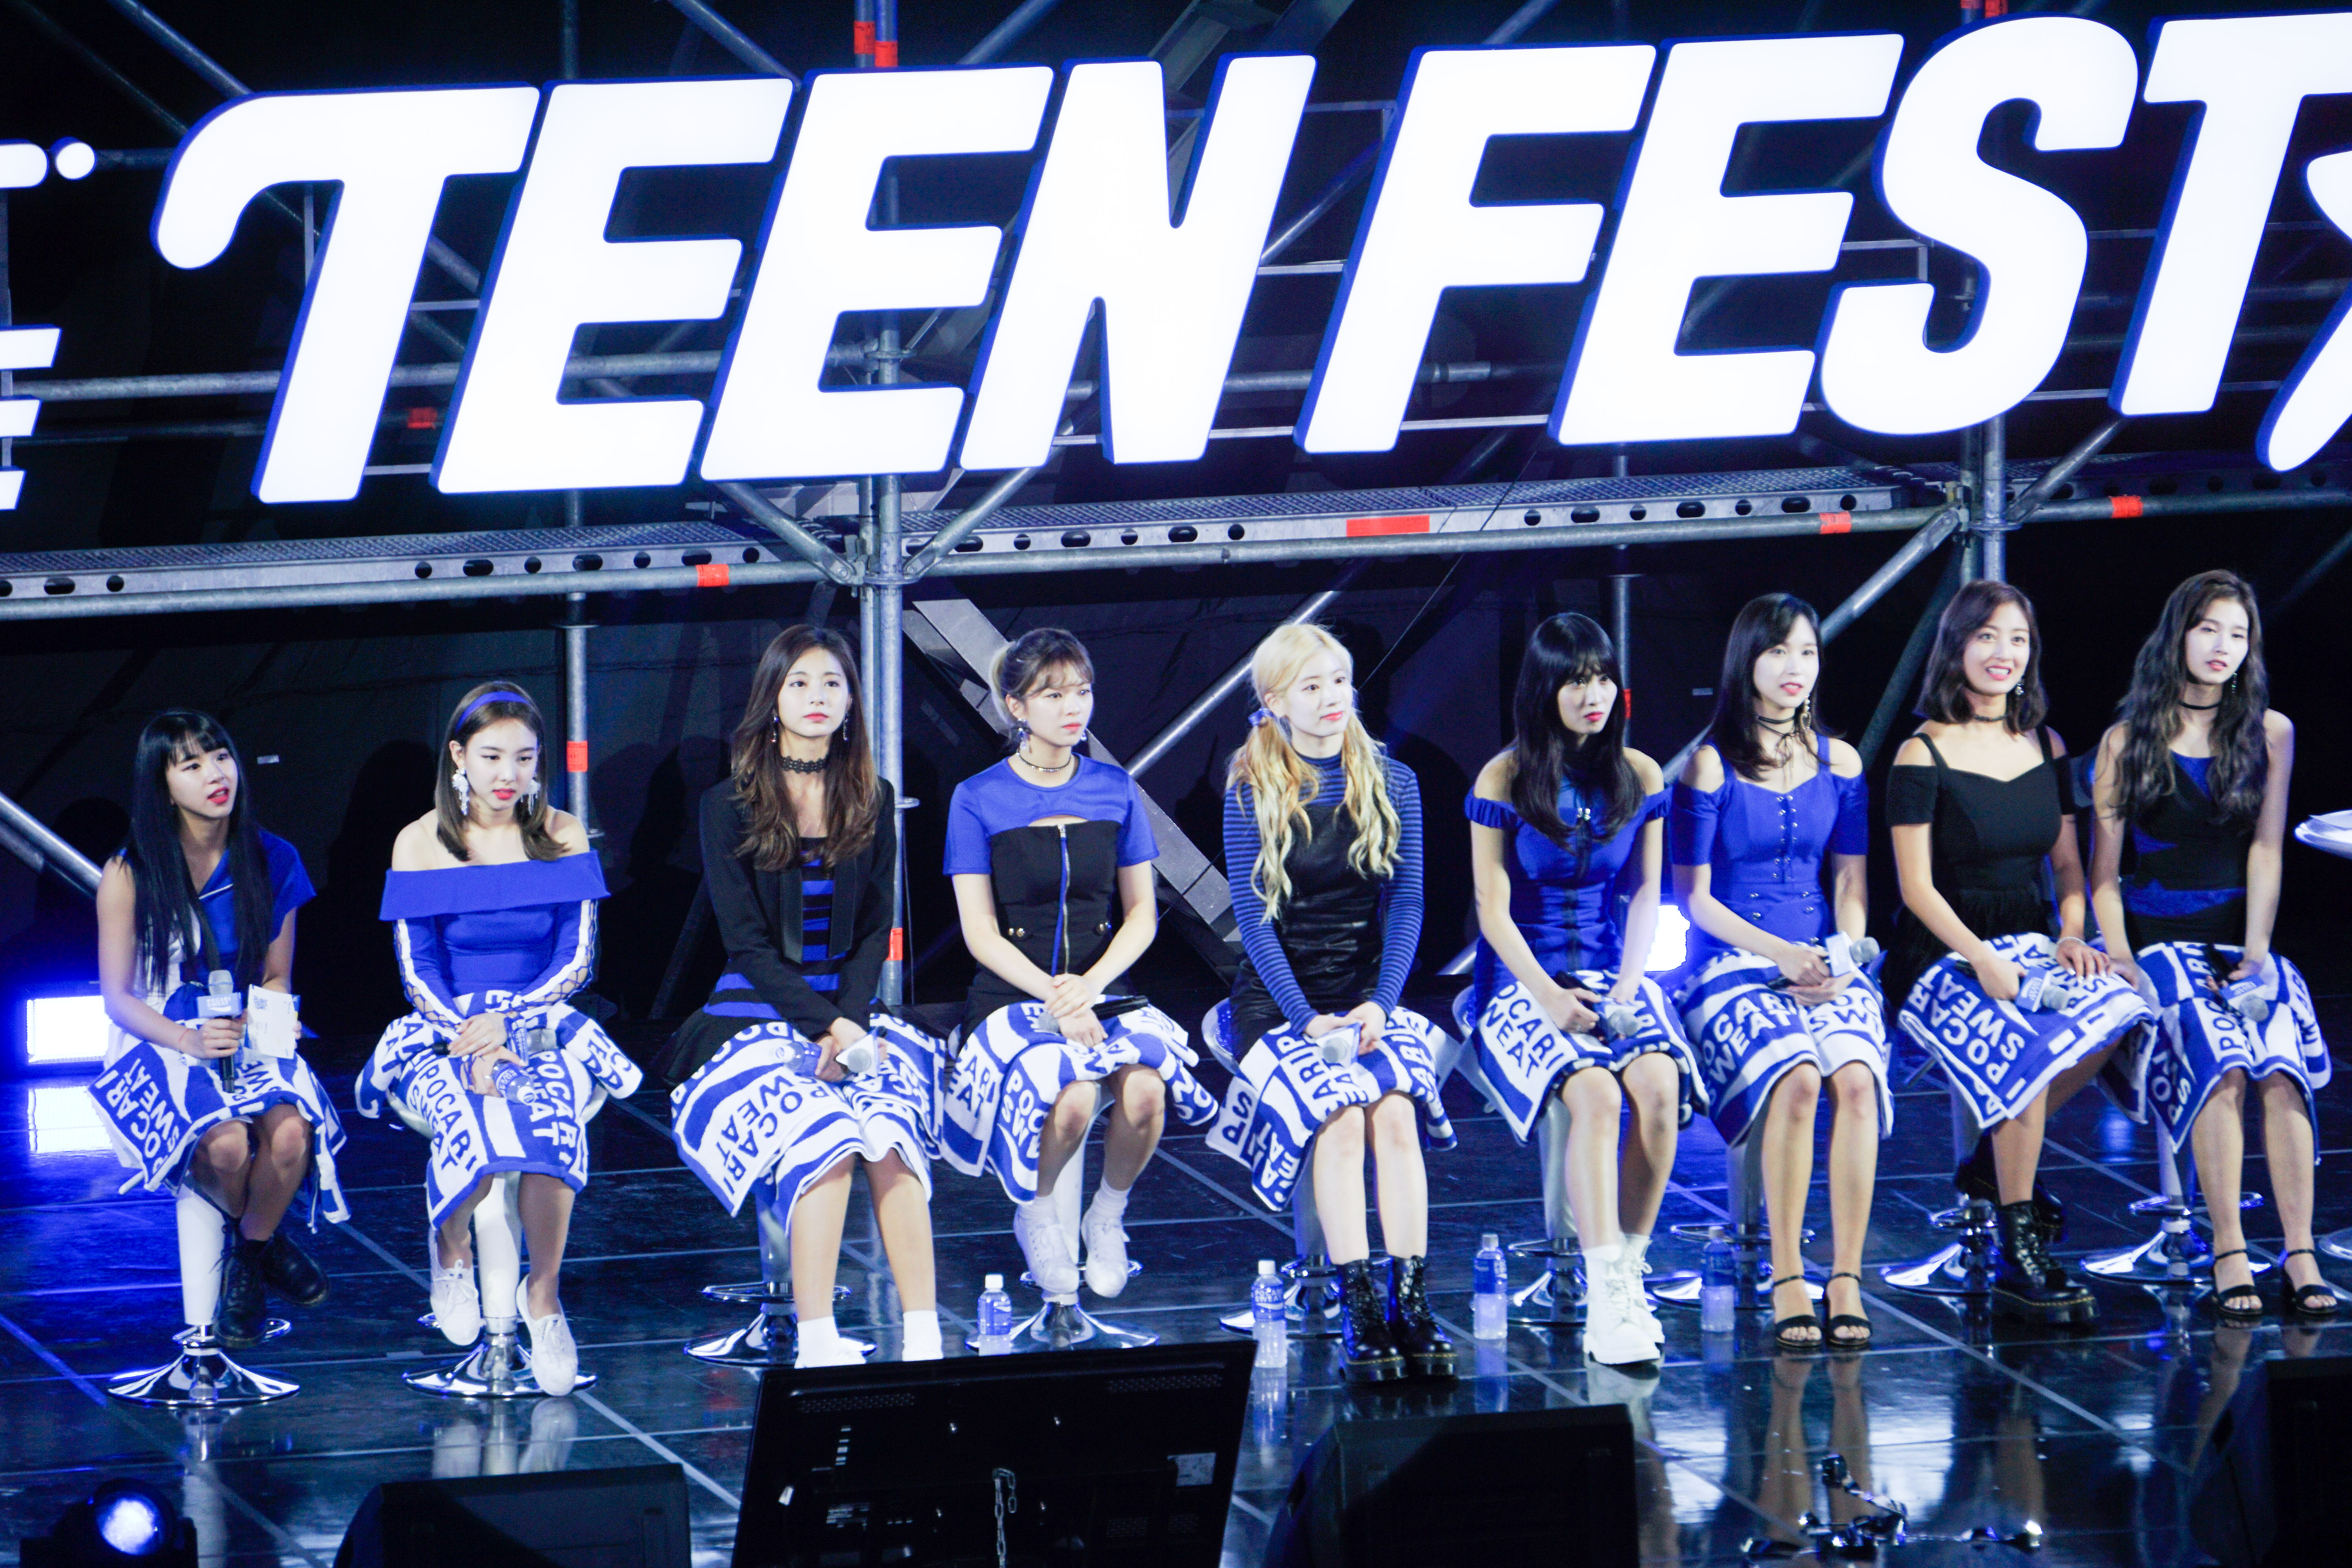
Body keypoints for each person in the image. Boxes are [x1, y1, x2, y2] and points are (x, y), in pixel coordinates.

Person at [663, 626, 946, 1365]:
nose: (817, 697)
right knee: (828, 1140)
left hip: (848, 1013)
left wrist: (849, 1024)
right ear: (773, 698)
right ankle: (817, 1339)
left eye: (832, 684)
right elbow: (747, 945)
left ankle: (924, 1337)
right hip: (753, 1012)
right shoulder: (728, 803)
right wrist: (830, 1028)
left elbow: (875, 930)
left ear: (852, 700)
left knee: (889, 1139)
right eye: (800, 683)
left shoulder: (873, 797)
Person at [355, 682, 641, 1396]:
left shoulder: (564, 834)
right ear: (458, 757)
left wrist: (510, 1024)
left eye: (524, 757)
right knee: (477, 1129)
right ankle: (450, 1245)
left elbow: (577, 961)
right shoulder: (419, 841)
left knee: (547, 1126)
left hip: (541, 1024)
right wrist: (475, 1040)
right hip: (445, 1030)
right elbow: (417, 971)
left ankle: (543, 1296)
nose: (508, 774)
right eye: (491, 757)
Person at [1885, 581, 2152, 1326]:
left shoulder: (2047, 744)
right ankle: (2018, 1243)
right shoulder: (1921, 752)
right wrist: (1981, 958)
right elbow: (1915, 888)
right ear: (1957, 647)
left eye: (2019, 640)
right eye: (1988, 637)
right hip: (1943, 950)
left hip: (2031, 935)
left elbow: (2068, 866)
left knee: (2122, 1009)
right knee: (2028, 1057)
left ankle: (1986, 1168)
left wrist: (2072, 934)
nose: (2004, 654)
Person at [1204, 624, 1456, 1383]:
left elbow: (1407, 903)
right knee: (1341, 1118)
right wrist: (1307, 1019)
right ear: (1276, 701)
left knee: (1396, 1113)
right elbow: (1254, 923)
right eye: (1311, 686)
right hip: (1279, 1001)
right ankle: (1360, 1304)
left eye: (1339, 681)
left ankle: (1411, 1298)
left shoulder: (1394, 779)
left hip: (1363, 992)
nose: (1331, 698)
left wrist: (1380, 1003)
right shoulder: (1251, 787)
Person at [940, 628, 1216, 1321]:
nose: (1073, 708)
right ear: (1016, 707)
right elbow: (979, 932)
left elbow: (1142, 915)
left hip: (1103, 988)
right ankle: (1036, 1215)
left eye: (1082, 692)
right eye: (1053, 695)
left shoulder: (1114, 788)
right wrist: (1058, 997)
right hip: (1014, 994)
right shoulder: (977, 797)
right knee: (1071, 1097)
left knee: (1146, 1091)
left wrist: (1090, 987)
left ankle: (1108, 1214)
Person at [2089, 571, 2332, 1320]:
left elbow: (2267, 850)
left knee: (2281, 1061)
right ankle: (2227, 1246)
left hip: (2239, 941)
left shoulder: (2271, 732)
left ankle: (2299, 1251)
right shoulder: (2126, 740)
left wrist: (2257, 953)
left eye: (2238, 634)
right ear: (2179, 636)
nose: (2223, 647)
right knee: (2220, 1058)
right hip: (2157, 941)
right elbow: (2103, 877)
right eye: (2208, 629)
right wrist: (2120, 958)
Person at [1466, 612, 1699, 1368]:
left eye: (1601, 679)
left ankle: (1628, 1271)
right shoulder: (1502, 778)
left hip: (1610, 972)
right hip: (1522, 980)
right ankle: (1603, 1295)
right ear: (1544, 691)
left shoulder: (1642, 773)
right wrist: (1548, 996)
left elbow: (1647, 893)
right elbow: (1492, 912)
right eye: (1574, 682)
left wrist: (1629, 986)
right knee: (1596, 1095)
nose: (1592, 695)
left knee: (1659, 1086)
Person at [1673, 595, 1887, 1351]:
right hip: (1731, 964)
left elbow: (1851, 883)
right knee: (1796, 1077)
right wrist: (1779, 955)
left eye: (1807, 652)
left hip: (1825, 960)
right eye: (1778, 652)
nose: (1795, 668)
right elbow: (1695, 900)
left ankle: (1847, 1276)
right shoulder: (1710, 765)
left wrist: (1843, 955)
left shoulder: (1842, 762)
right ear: (1747, 662)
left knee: (1855, 1079)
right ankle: (1788, 1273)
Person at [91, 711, 341, 1348]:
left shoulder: (274, 857)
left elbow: (277, 976)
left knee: (291, 1135)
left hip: (244, 1026)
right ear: (163, 785)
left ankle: (248, 1257)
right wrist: (187, 1040)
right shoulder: (129, 872)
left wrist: (264, 1019)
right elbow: (117, 998)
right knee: (227, 1147)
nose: (215, 774)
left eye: (221, 757)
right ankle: (264, 1249)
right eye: (192, 764)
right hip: (159, 1032)